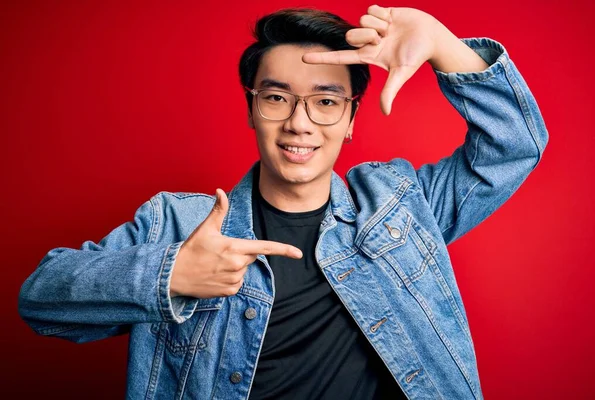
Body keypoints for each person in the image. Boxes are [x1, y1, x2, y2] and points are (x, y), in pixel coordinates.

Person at [18, 5, 548, 400]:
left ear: (351, 119)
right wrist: (171, 272)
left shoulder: (402, 206)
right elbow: (40, 300)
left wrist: (444, 46)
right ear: (252, 109)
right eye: (276, 97)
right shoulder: (177, 222)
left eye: (324, 102)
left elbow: (514, 147)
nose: (299, 122)